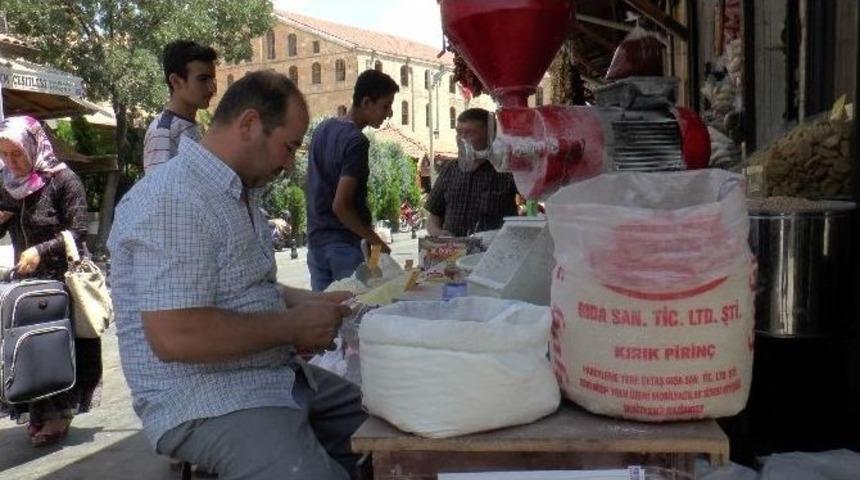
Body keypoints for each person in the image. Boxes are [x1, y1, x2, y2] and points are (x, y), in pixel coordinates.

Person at [108, 71, 365, 479]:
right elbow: (175, 334)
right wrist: (292, 326)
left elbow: (247, 288)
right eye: (289, 146)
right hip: (205, 398)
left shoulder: (233, 193)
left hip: (271, 376)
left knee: (384, 429)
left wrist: (311, 302)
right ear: (248, 125)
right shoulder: (174, 198)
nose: (289, 162)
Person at [0, 116, 99, 447]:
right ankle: (40, 411)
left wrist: (40, 251)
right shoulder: (9, 186)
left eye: (16, 154)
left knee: (61, 345)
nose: (10, 162)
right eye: (4, 155)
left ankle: (60, 414)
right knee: (35, 346)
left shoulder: (62, 179)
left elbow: (78, 229)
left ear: (33, 146)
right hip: (29, 287)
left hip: (63, 282)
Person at [305, 69, 399, 291]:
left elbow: (310, 183)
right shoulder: (356, 141)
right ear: (366, 102)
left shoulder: (321, 129)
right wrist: (376, 241)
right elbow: (341, 206)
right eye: (385, 106)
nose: (389, 113)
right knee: (356, 311)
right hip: (345, 245)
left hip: (316, 243)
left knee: (325, 316)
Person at [426, 108, 519, 237]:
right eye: (459, 133)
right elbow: (434, 216)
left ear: (490, 136)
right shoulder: (449, 169)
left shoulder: (506, 171)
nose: (461, 139)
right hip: (454, 253)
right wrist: (437, 233)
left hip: (492, 252)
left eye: (469, 133)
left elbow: (533, 201)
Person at [143, 40, 217, 173]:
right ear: (176, 82)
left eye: (213, 79)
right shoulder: (163, 133)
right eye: (203, 79)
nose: (213, 88)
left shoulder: (189, 126)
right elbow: (158, 191)